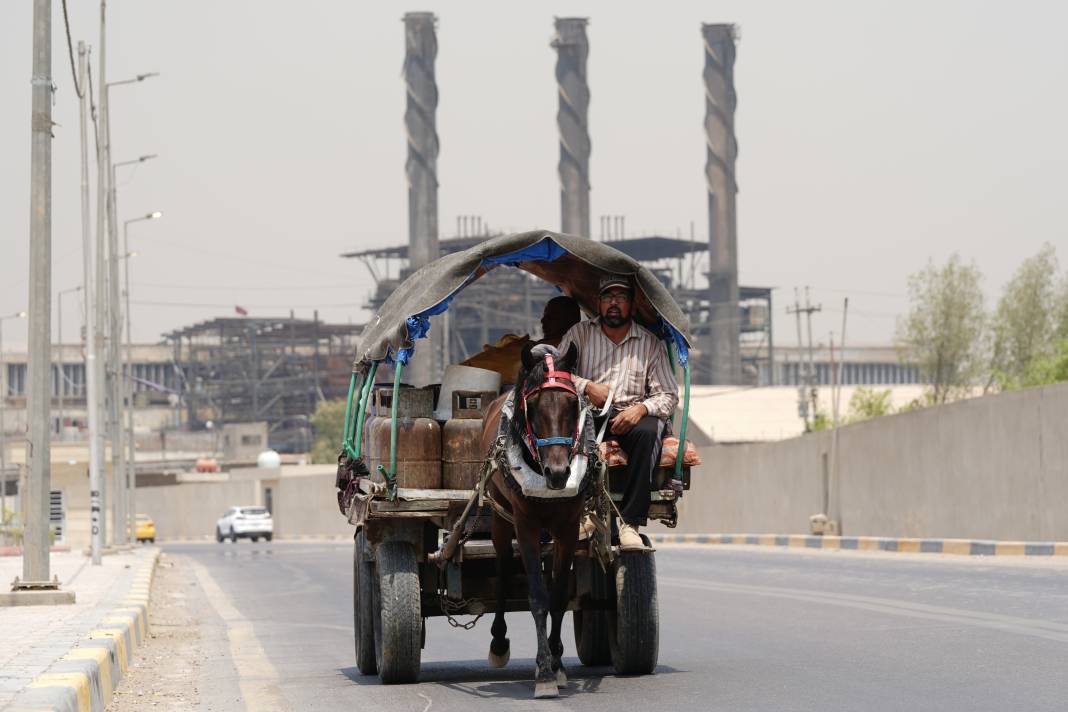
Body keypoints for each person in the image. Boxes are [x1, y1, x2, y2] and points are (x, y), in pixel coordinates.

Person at [557, 275, 679, 549]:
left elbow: (669, 395)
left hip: (631, 417)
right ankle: (584, 514)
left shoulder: (650, 344)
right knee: (565, 430)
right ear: (598, 303)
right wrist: (587, 387)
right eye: (608, 298)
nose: (614, 304)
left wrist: (641, 409)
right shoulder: (580, 334)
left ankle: (630, 524)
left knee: (650, 431)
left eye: (621, 298)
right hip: (589, 413)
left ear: (632, 306)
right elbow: (558, 374)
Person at [461, 296, 581, 383]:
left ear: (569, 321)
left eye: (550, 317)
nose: (543, 321)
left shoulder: (568, 350)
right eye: (544, 316)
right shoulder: (531, 347)